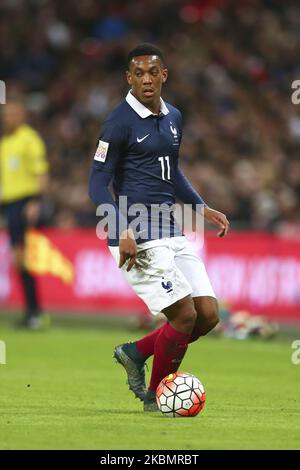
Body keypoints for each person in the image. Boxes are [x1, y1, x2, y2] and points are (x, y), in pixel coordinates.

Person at [88, 43, 229, 411]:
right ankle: (157, 397)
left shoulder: (174, 117)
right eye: (139, 73)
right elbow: (97, 184)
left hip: (170, 226)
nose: (147, 80)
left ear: (164, 75)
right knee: (184, 316)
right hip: (135, 230)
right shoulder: (118, 122)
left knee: (208, 316)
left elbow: (172, 170)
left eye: (153, 72)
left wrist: (201, 207)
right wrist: (120, 229)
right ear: (129, 78)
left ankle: (136, 352)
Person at [0, 96, 49, 329]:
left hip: (24, 203)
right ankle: (31, 312)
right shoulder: (6, 143)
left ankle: (36, 313)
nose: (9, 118)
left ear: (22, 115)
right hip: (9, 205)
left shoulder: (29, 139)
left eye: (13, 114)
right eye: (6, 115)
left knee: (24, 259)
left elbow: (41, 172)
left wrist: (36, 201)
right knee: (18, 261)